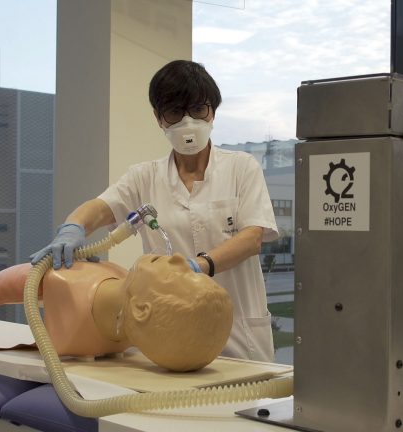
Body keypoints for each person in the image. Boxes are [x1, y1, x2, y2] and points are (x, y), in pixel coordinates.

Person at [30, 60, 279, 362]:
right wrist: (73, 228)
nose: (188, 122)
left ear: (212, 111)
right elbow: (100, 207)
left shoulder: (241, 167)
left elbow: (252, 237)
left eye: (198, 109)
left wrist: (198, 266)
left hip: (240, 336)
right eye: (175, 112)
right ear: (159, 118)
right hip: (168, 337)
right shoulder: (144, 177)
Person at [0, 253, 233, 372]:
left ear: (141, 310)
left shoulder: (62, 283)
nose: (179, 258)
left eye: (179, 274)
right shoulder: (118, 273)